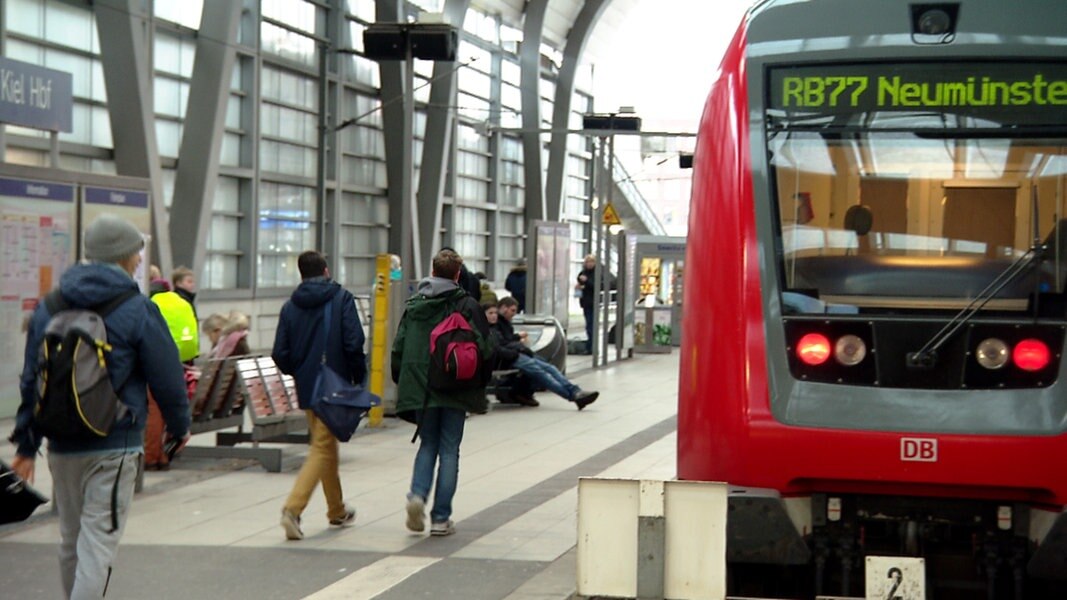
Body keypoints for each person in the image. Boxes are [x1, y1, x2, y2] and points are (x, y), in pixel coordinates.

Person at [9, 214, 190, 599]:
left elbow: (32, 379)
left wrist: (27, 444)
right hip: (115, 443)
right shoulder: (137, 307)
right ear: (123, 256)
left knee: (71, 539)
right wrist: (179, 424)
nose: (139, 260)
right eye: (135, 253)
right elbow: (168, 374)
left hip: (61, 445)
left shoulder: (50, 305)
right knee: (98, 545)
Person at [392, 249, 493, 537]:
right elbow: (485, 348)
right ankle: (440, 518)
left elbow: (398, 348)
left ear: (433, 272)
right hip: (454, 384)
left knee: (428, 445)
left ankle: (417, 495)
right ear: (458, 275)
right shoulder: (467, 305)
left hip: (421, 389)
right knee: (449, 450)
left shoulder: (414, 305)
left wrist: (403, 381)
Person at [272, 250, 365, 540]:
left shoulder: (290, 306)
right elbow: (353, 342)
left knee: (324, 444)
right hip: (333, 382)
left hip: (307, 383)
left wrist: (299, 370)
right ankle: (292, 509)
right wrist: (357, 378)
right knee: (322, 447)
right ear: (326, 271)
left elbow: (280, 352)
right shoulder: (341, 298)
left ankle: (336, 509)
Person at [496, 297, 598, 409]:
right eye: (512, 310)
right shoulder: (495, 324)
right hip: (509, 356)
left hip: (515, 353)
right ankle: (573, 395)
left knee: (549, 368)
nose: (513, 314)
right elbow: (501, 343)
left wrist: (517, 338)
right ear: (504, 307)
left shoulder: (504, 323)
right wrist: (518, 345)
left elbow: (506, 339)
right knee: (542, 373)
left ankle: (575, 392)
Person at [483, 301, 538, 407]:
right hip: (499, 360)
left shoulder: (497, 327)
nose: (494, 316)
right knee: (537, 367)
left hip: (505, 357)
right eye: (490, 313)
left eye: (495, 313)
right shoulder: (490, 330)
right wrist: (516, 351)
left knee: (539, 364)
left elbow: (504, 342)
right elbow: (498, 348)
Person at [576, 254, 616, 354]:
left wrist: (587, 282)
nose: (589, 264)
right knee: (588, 325)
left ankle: (591, 347)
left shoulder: (597, 273)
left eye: (591, 262)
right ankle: (590, 346)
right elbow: (580, 281)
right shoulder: (583, 272)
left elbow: (597, 286)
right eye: (587, 262)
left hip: (593, 302)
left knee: (592, 325)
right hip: (585, 302)